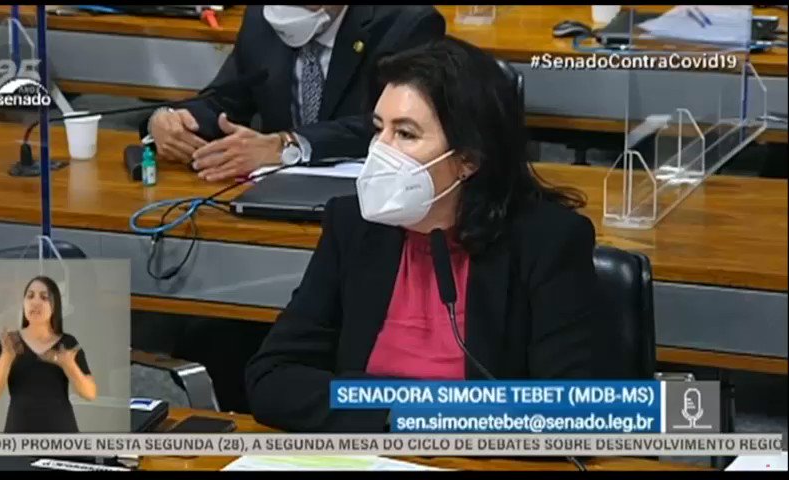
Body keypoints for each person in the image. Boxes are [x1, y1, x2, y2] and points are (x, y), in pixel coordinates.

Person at [245, 37, 606, 433]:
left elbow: (570, 412)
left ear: (468, 159)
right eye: (378, 130)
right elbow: (273, 377)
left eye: (406, 134)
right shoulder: (353, 225)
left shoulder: (547, 241)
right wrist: (394, 413)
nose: (379, 152)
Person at [139, 5, 446, 182]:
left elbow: (395, 128)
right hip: (273, 189)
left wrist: (287, 145)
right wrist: (167, 120)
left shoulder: (407, 23)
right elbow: (225, 100)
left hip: (368, 195)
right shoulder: (262, 18)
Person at [0, 275, 96, 433]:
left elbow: (90, 393)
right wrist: (7, 357)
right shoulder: (10, 342)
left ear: (55, 306)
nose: (35, 302)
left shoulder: (67, 343)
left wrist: (69, 365)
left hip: (61, 434)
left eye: (44, 297)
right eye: (30, 296)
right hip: (19, 433)